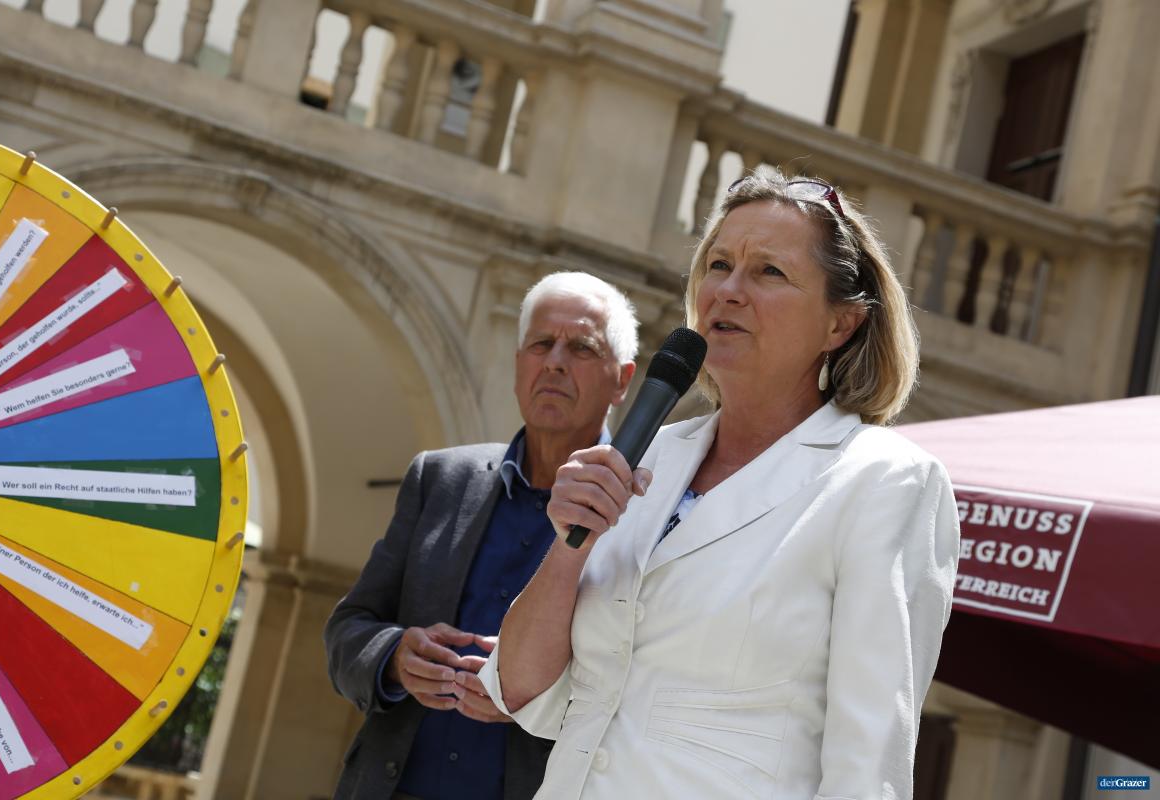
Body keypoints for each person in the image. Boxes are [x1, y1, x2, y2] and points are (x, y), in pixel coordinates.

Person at [479, 168, 962, 799]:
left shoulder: (885, 482)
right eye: (718, 265)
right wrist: (571, 546)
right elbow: (518, 688)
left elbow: (868, 767)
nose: (729, 291)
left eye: (769, 272)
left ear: (840, 325)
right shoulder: (652, 454)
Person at [324, 272, 640, 800]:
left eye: (581, 348)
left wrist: (536, 698)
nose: (554, 362)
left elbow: (645, 695)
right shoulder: (440, 478)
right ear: (518, 364)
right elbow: (348, 629)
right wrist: (394, 657)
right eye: (541, 343)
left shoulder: (642, 511)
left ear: (622, 380)